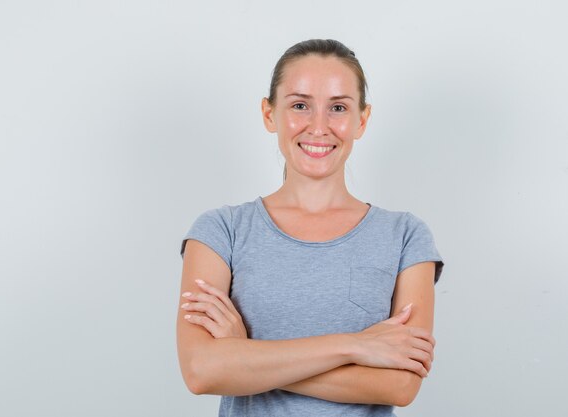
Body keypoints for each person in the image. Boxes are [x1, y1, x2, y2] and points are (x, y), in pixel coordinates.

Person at [176, 38, 445, 417]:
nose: (319, 127)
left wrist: (245, 355)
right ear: (269, 114)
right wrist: (354, 346)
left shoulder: (405, 237)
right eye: (300, 105)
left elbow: (400, 385)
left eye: (338, 108)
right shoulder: (221, 232)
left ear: (361, 120)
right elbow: (201, 370)